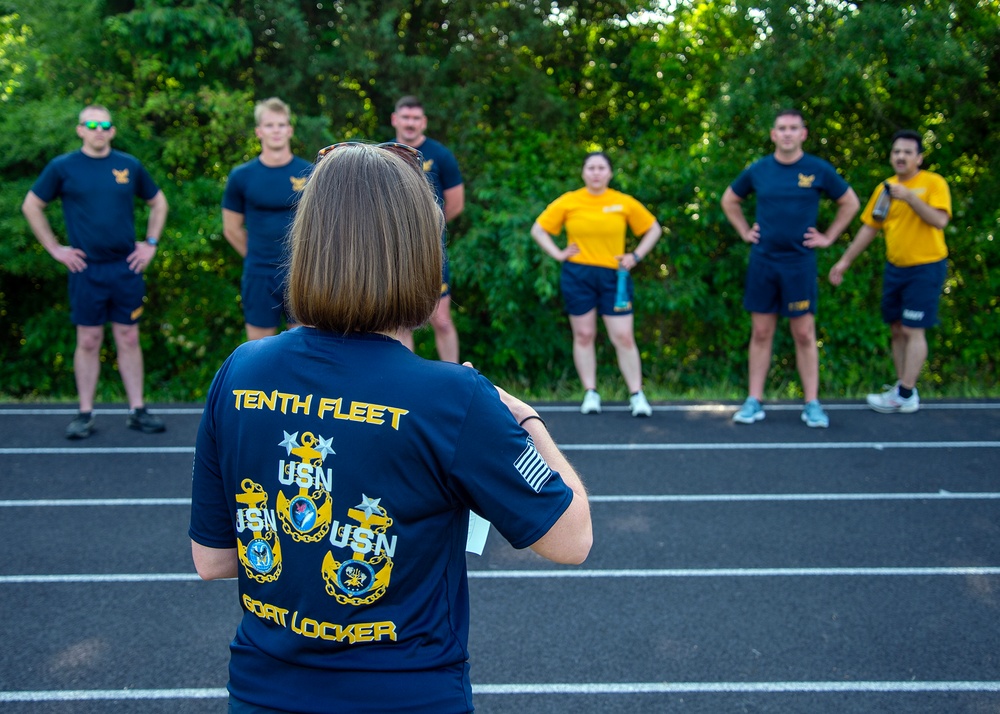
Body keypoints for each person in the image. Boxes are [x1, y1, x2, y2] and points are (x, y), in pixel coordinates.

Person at [189, 142, 592, 714]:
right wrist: (524, 417)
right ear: (421, 253)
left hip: (263, 694)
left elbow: (214, 559)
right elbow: (571, 539)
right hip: (408, 696)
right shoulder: (453, 398)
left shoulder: (240, 370)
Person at [21, 104, 169, 439]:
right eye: (92, 124)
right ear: (80, 129)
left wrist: (150, 243)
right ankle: (85, 413)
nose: (98, 129)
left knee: (129, 337)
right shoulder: (63, 167)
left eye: (105, 124)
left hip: (125, 267)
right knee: (88, 340)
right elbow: (31, 205)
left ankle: (137, 409)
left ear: (113, 131)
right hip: (86, 269)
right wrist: (55, 249)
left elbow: (158, 203)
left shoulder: (128, 165)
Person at [721, 109, 859, 428]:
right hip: (763, 262)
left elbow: (850, 202)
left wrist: (829, 237)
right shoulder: (759, 170)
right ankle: (754, 401)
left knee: (804, 333)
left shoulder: (817, 169)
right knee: (761, 331)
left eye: (793, 128)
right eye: (781, 128)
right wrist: (744, 231)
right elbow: (730, 200)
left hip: (799, 264)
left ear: (803, 134)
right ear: (773, 134)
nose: (786, 133)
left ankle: (812, 403)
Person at [530, 151, 662, 417]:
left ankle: (637, 395)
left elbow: (654, 228)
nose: (596, 172)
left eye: (602, 168)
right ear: (583, 172)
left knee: (623, 336)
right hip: (577, 274)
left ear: (610, 173)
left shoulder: (622, 202)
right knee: (584, 335)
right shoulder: (570, 200)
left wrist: (636, 256)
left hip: (615, 276)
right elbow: (538, 229)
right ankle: (591, 392)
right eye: (591, 168)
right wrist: (558, 254)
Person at [828, 130, 952, 414]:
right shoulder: (885, 188)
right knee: (896, 327)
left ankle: (906, 393)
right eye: (896, 151)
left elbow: (939, 220)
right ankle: (902, 387)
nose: (901, 156)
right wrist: (845, 261)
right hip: (896, 267)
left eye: (907, 152)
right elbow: (870, 227)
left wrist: (910, 198)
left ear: (919, 158)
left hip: (927, 265)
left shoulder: (933, 183)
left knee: (912, 328)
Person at [223, 97, 312, 340]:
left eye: (281, 125)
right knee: (260, 351)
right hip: (259, 275)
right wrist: (260, 257)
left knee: (304, 348)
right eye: (270, 125)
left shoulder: (310, 172)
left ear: (290, 130)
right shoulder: (241, 176)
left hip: (301, 273)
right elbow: (231, 228)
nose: (276, 130)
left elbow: (321, 224)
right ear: (258, 131)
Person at [391, 95, 464, 362]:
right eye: (406, 117)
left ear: (424, 122)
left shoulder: (440, 155)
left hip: (431, 251)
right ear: (395, 119)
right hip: (393, 251)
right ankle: (405, 385)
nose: (410, 123)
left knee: (442, 320)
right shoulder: (384, 153)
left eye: (416, 118)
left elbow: (455, 204)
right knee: (399, 324)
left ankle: (455, 382)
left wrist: (423, 228)